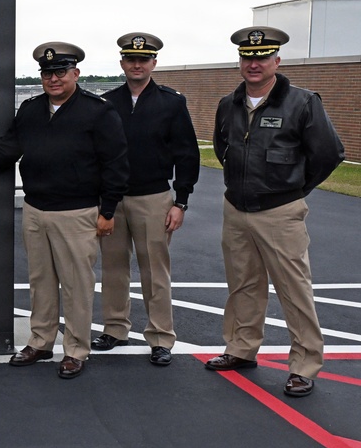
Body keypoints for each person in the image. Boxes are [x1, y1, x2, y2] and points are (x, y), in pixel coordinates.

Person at [0, 42, 129, 378]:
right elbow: (6, 149)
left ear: (76, 73)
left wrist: (108, 210)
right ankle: (41, 341)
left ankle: (75, 350)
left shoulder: (97, 111)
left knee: (76, 286)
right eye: (47, 73)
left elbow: (115, 164)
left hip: (77, 212)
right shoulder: (30, 110)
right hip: (35, 210)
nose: (53, 78)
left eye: (60, 71)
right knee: (40, 281)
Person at [207, 26, 344, 397]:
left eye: (263, 56)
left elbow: (329, 153)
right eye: (248, 57)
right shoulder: (229, 104)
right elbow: (224, 148)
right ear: (240, 61)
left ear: (277, 61)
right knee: (243, 285)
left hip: (281, 211)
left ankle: (304, 365)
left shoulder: (301, 102)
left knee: (294, 290)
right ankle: (240, 347)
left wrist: (296, 189)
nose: (254, 64)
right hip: (236, 209)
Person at [93, 33, 200, 366]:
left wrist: (180, 201)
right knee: (112, 269)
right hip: (112, 200)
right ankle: (115, 328)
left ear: (154, 63)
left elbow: (187, 154)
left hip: (154, 198)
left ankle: (160, 337)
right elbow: (97, 154)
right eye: (130, 59)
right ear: (122, 63)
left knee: (155, 272)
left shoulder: (171, 102)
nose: (136, 64)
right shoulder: (107, 103)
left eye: (143, 59)